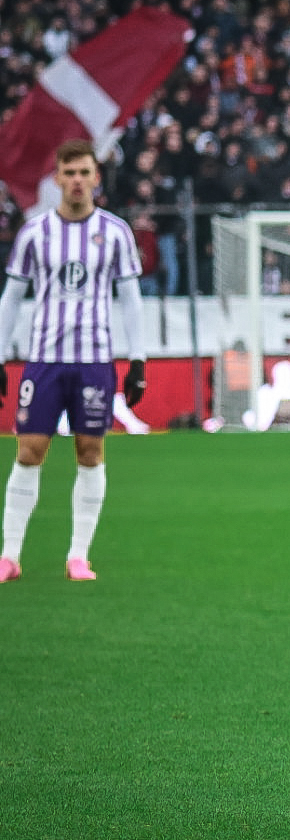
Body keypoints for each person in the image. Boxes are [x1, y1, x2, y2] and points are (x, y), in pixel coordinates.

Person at [0, 140, 147, 583]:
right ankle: (9, 555)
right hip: (44, 359)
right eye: (70, 173)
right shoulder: (35, 233)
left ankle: (78, 556)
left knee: (90, 451)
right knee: (30, 450)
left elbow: (131, 300)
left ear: (96, 177)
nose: (78, 180)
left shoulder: (117, 232)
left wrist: (138, 361)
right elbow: (11, 298)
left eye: (85, 172)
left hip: (94, 361)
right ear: (58, 178)